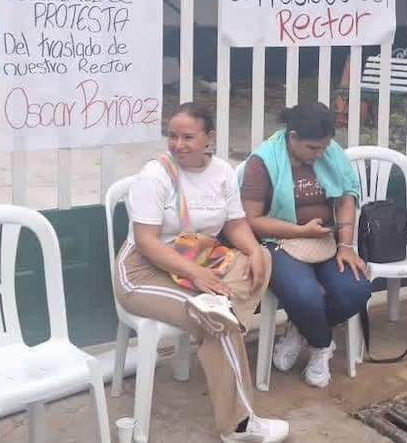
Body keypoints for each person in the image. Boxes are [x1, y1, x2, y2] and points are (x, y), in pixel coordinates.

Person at [112, 103, 288, 443]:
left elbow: (236, 224)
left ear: (209, 137)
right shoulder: (155, 176)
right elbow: (147, 242)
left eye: (188, 137)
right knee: (217, 323)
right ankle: (239, 427)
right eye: (172, 136)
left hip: (199, 261)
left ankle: (220, 315)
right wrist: (195, 275)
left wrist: (251, 251)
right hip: (144, 273)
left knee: (262, 258)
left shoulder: (222, 171)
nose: (178, 144)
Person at [240, 101, 371, 388]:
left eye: (325, 146)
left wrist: (346, 246)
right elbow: (251, 220)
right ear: (293, 136)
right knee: (305, 296)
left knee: (356, 288)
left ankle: (301, 328)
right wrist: (299, 230)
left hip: (324, 239)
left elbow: (347, 197)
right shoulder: (262, 162)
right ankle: (322, 345)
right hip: (278, 241)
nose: (321, 153)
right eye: (313, 148)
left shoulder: (330, 154)